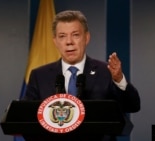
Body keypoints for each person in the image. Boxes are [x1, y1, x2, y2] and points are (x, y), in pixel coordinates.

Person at [24, 10, 140, 141]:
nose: (69, 42)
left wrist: (119, 80)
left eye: (75, 35)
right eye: (62, 36)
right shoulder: (39, 76)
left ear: (86, 38)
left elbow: (132, 106)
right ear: (55, 41)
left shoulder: (105, 72)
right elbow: (26, 120)